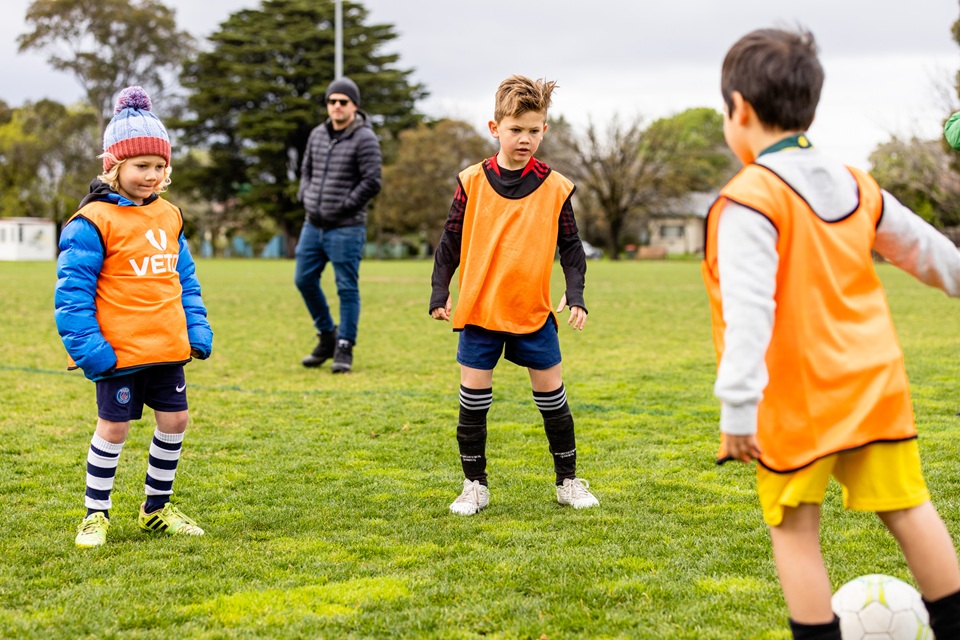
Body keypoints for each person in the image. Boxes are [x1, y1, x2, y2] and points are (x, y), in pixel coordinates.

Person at [703, 28, 960, 639]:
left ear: (738, 109)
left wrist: (738, 409)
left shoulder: (750, 198)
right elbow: (934, 256)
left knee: (795, 533)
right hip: (874, 385)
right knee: (909, 511)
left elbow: (749, 311)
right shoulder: (855, 182)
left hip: (799, 401)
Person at [429, 75, 599, 516]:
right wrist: (439, 291)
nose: (525, 139)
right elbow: (449, 240)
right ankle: (474, 485)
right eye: (515, 129)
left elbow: (572, 248)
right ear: (494, 128)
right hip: (480, 310)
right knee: (473, 403)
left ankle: (568, 482)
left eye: (534, 130)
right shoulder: (471, 181)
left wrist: (575, 294)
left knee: (553, 401)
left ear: (544, 130)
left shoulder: (556, 186)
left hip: (532, 311)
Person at [55, 86, 213, 548]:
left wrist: (196, 327)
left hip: (166, 345)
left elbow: (185, 279)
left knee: (176, 422)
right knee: (114, 428)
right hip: (117, 351)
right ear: (113, 166)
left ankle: (156, 509)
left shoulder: (170, 217)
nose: (152, 175)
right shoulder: (92, 221)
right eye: (141, 165)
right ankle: (95, 514)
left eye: (159, 166)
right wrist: (90, 350)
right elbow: (73, 295)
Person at [296, 76, 382, 373]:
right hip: (313, 224)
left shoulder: (365, 138)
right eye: (332, 101)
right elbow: (305, 170)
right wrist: (305, 195)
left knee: (346, 288)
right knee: (303, 280)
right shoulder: (318, 134)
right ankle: (327, 336)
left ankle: (344, 346)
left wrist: (343, 206)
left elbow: (372, 181)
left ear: (354, 106)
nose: (336, 106)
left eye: (342, 101)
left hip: (346, 227)